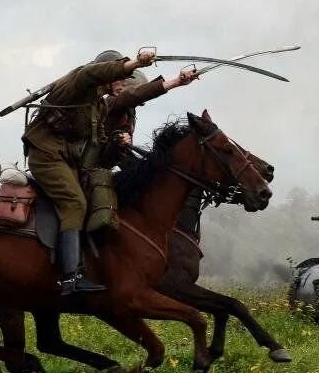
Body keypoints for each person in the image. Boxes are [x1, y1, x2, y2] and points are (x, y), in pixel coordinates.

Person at [22, 48, 197, 294]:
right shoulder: (77, 82)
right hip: (46, 155)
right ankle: (71, 276)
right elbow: (105, 78)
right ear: (104, 75)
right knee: (74, 203)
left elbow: (105, 139)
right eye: (120, 77)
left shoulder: (98, 106)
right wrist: (137, 62)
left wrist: (177, 82)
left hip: (67, 159)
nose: (125, 83)